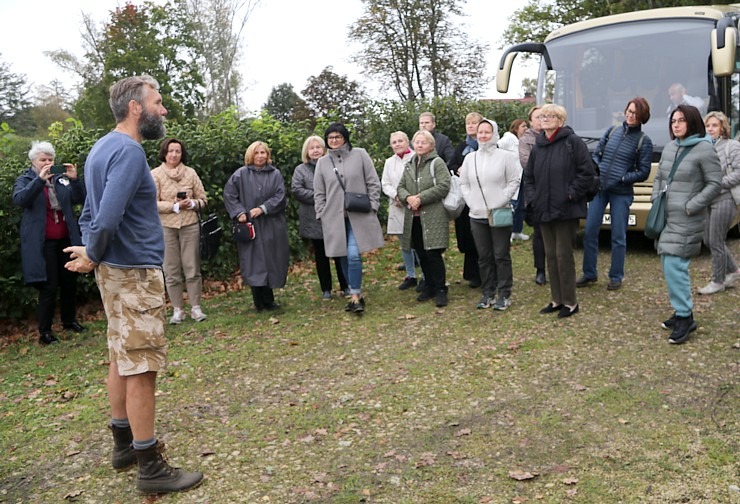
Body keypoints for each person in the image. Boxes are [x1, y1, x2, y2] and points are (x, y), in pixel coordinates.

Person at [64, 75, 203, 494]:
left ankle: (123, 446)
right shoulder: (127, 150)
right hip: (134, 273)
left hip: (115, 272)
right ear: (136, 107)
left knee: (121, 357)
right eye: (157, 102)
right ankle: (150, 466)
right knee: (142, 365)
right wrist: (95, 251)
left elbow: (89, 212)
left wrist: (94, 251)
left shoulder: (101, 148)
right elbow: (105, 216)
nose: (163, 110)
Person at [653, 105, 721, 343]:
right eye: (673, 120)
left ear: (692, 122)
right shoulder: (671, 147)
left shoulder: (704, 149)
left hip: (687, 218)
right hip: (667, 216)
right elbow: (660, 176)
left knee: (675, 265)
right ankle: (681, 309)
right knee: (667, 262)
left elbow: (715, 183)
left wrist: (692, 205)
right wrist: (655, 199)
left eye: (681, 120)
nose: (676, 124)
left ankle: (685, 317)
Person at [523, 104, 596, 319]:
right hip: (543, 209)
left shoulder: (573, 142)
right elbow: (529, 177)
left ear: (560, 120)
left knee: (564, 255)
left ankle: (570, 302)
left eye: (550, 116)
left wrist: (570, 194)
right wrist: (533, 197)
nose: (545, 119)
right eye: (542, 116)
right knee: (551, 256)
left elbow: (587, 173)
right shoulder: (538, 146)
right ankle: (556, 299)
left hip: (566, 209)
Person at [13, 141, 86, 345]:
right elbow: (20, 200)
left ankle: (69, 321)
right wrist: (39, 181)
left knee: (70, 281)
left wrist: (75, 180)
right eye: (42, 160)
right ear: (33, 162)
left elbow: (80, 198)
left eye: (50, 159)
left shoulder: (61, 179)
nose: (47, 163)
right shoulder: (26, 179)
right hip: (43, 242)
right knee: (49, 286)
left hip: (66, 238)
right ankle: (45, 331)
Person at [577, 97, 654, 291]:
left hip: (621, 193)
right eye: (628, 111)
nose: (629, 115)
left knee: (618, 236)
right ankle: (589, 273)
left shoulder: (644, 141)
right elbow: (597, 154)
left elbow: (643, 172)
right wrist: (598, 170)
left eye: (634, 113)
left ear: (642, 116)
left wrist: (622, 178)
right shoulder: (612, 131)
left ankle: (616, 276)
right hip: (600, 190)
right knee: (589, 231)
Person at [314, 123, 385, 314]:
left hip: (358, 215)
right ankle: (356, 293)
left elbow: (373, 182)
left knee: (353, 254)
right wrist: (321, 213)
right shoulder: (322, 163)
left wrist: (374, 206)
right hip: (334, 219)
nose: (334, 140)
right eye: (330, 138)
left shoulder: (360, 154)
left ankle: (354, 295)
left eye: (338, 136)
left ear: (345, 137)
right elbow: (319, 192)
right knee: (342, 255)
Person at [459, 119, 521, 310]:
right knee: (484, 256)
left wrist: (501, 199)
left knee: (501, 254)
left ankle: (504, 293)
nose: (483, 136)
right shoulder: (470, 158)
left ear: (494, 133)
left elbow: (514, 181)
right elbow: (464, 184)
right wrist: (471, 202)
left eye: (487, 132)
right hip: (476, 214)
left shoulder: (505, 157)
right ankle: (488, 292)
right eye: (480, 132)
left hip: (499, 211)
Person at [224, 141, 289, 312]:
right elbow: (230, 195)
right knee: (254, 262)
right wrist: (239, 213)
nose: (260, 156)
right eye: (257, 153)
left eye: (263, 153)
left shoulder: (275, 174)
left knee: (270, 260)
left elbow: (280, 196)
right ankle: (258, 301)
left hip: (271, 225)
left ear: (268, 155)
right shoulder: (240, 175)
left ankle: (269, 300)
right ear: (250, 155)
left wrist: (263, 208)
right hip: (250, 227)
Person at [150, 138, 208, 324]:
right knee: (171, 269)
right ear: (164, 153)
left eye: (178, 151)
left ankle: (196, 308)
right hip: (166, 227)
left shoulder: (190, 173)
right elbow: (151, 202)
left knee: (192, 268)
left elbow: (204, 200)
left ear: (182, 154)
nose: (174, 155)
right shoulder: (155, 174)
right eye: (171, 151)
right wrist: (173, 206)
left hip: (190, 225)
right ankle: (177, 309)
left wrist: (192, 203)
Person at [397, 130, 452, 307]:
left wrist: (421, 198)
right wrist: (408, 198)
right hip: (414, 218)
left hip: (433, 215)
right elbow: (401, 186)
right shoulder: (410, 164)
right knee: (421, 253)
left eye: (424, 142)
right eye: (417, 142)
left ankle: (441, 288)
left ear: (431, 145)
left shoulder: (437, 163)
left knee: (433, 253)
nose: (419, 145)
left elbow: (444, 185)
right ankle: (428, 285)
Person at [291, 135, 349, 300]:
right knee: (321, 255)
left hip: (334, 216)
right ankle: (326, 289)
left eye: (318, 147)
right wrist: (321, 196)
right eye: (312, 148)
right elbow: (297, 190)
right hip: (313, 218)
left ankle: (345, 285)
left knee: (339, 253)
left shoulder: (333, 165)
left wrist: (330, 197)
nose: (315, 150)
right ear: (307, 151)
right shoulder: (300, 170)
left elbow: (341, 185)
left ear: (324, 149)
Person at [698, 111, 740, 294]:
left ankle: (718, 280)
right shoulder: (704, 147)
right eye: (708, 126)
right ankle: (734, 270)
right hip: (708, 199)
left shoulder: (732, 146)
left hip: (725, 198)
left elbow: (738, 174)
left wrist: (716, 185)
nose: (711, 129)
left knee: (716, 240)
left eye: (714, 125)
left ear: (722, 127)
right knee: (708, 239)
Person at [447, 111, 483, 288]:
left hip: (483, 196)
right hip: (465, 197)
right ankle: (472, 274)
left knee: (482, 236)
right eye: (468, 123)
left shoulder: (487, 145)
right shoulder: (462, 146)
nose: (470, 126)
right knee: (467, 236)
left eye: (474, 123)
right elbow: (451, 164)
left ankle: (486, 273)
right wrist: (459, 169)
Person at [380, 131, 418, 290]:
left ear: (407, 141)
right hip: (397, 206)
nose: (397, 144)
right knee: (405, 243)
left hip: (416, 204)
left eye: (400, 141)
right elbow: (385, 183)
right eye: (394, 142)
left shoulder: (416, 157)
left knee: (419, 241)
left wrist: (410, 198)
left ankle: (427, 275)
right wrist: (396, 196)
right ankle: (411, 275)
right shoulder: (389, 162)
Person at [519, 105, 548, 286]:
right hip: (536, 191)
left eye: (543, 116)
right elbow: (526, 163)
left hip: (556, 192)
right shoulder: (526, 140)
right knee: (539, 233)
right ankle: (540, 269)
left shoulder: (555, 137)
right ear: (531, 121)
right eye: (536, 117)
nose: (540, 120)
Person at [498, 118, 529, 241]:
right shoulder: (509, 139)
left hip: (521, 177)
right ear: (516, 128)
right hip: (511, 177)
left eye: (526, 126)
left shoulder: (521, 141)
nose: (526, 128)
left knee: (521, 206)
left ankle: (517, 230)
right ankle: (508, 232)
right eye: (523, 126)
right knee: (511, 206)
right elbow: (497, 147)